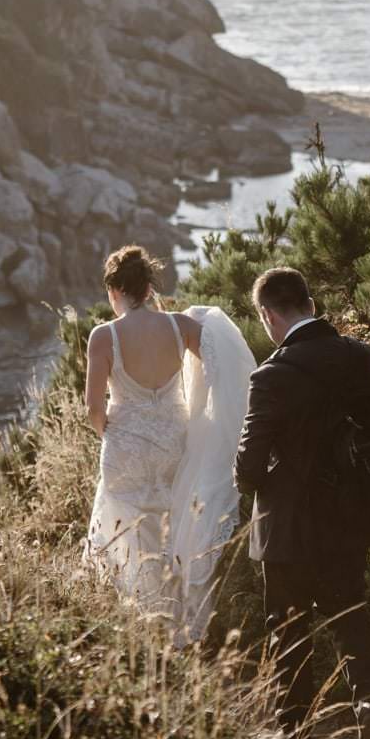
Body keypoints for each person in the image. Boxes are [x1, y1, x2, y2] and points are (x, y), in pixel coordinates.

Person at [235, 266, 370, 739]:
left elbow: (247, 465)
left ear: (267, 315)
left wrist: (265, 476)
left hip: (286, 533)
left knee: (289, 638)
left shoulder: (271, 376)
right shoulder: (359, 356)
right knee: (352, 623)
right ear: (309, 301)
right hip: (347, 523)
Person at [84, 245, 254, 644]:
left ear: (114, 290)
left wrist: (110, 432)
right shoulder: (182, 326)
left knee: (128, 532)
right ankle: (181, 626)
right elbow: (220, 367)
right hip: (174, 443)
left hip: (125, 445)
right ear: (148, 287)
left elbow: (93, 407)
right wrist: (207, 417)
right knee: (173, 527)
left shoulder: (103, 336)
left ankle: (143, 624)